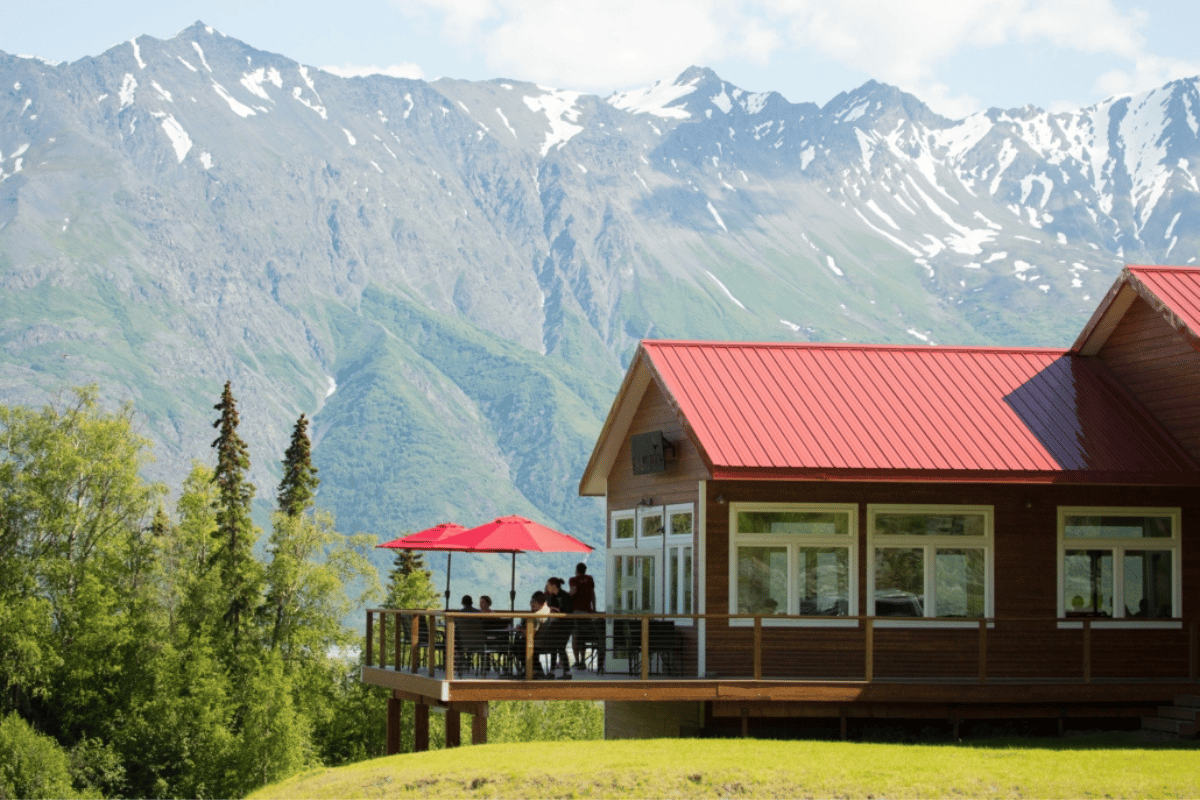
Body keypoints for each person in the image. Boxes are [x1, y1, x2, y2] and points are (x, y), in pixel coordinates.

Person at [569, 562, 596, 670]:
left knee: (575, 637)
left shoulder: (573, 580)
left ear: (576, 570)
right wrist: (594, 608)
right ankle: (583, 661)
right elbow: (593, 594)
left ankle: (577, 661)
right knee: (583, 637)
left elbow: (573, 591)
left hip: (576, 612)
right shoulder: (589, 579)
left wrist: (565, 598)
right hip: (587, 612)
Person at [544, 577, 573, 678]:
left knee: (561, 647)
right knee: (553, 647)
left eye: (548, 585)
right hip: (556, 625)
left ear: (553, 586)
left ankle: (567, 672)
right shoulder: (552, 597)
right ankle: (552, 672)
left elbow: (566, 611)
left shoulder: (565, 596)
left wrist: (554, 609)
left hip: (566, 625)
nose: (547, 587)